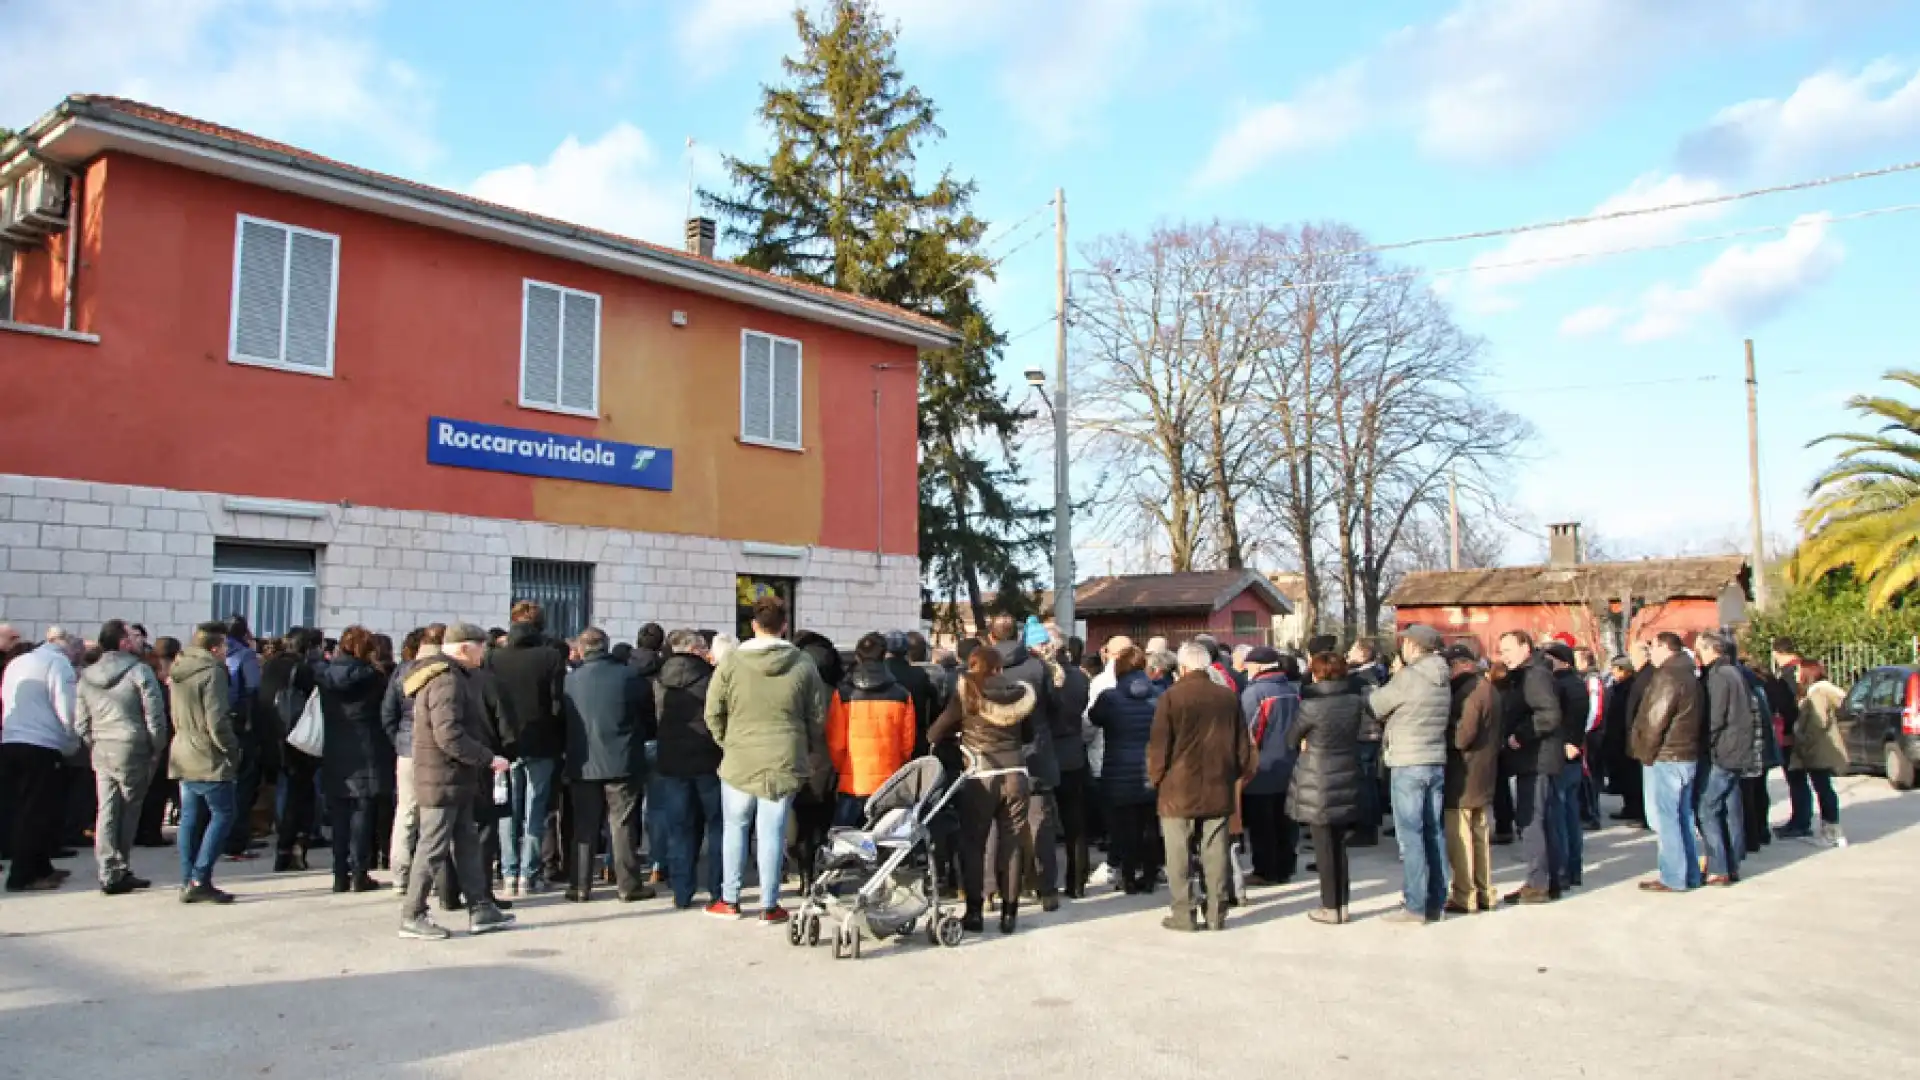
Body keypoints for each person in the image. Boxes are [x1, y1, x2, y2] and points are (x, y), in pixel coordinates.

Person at [704, 596, 826, 923]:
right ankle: (769, 905)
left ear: (753, 625)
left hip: (740, 756)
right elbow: (817, 715)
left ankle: (729, 899)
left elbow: (712, 711)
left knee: (735, 827)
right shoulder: (802, 663)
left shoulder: (730, 662)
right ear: (784, 626)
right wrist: (809, 748)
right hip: (784, 756)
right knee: (771, 831)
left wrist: (727, 741)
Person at [398, 623, 516, 940]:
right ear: (465, 648)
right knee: (432, 847)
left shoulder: (449, 677)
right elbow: (448, 735)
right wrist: (488, 757)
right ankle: (413, 914)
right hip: (442, 779)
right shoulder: (446, 681)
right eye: (481, 648)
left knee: (467, 844)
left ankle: (481, 908)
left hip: (454, 778)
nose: (484, 654)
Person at [928, 645, 1036, 934]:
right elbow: (1030, 734)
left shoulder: (967, 692)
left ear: (974, 664)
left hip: (980, 774)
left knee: (973, 844)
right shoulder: (1020, 693)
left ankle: (974, 912)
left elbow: (935, 733)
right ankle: (1009, 914)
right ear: (1000, 667)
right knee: (1011, 844)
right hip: (1016, 773)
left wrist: (956, 739)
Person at [1149, 642, 1255, 933]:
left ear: (1182, 667)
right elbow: (1242, 746)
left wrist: (1156, 778)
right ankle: (1216, 912)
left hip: (1177, 787)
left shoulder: (1170, 698)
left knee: (1178, 853)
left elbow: (1159, 746)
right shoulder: (1227, 697)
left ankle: (1183, 913)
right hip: (1217, 783)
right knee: (1215, 850)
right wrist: (1234, 774)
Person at [72, 619, 167, 895]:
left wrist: (94, 741)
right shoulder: (140, 671)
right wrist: (156, 746)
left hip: (102, 745)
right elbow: (154, 714)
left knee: (107, 808)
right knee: (128, 809)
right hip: (132, 745)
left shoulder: (87, 675)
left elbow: (81, 721)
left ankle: (107, 868)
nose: (139, 640)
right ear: (123, 642)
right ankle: (119, 868)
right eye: (133, 636)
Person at [561, 627, 655, 902]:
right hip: (622, 760)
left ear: (580, 649)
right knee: (622, 825)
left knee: (584, 826)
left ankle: (579, 886)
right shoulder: (628, 676)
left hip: (582, 761)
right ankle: (628, 885)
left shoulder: (570, 681)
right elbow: (647, 716)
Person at [1368, 625, 1452, 923]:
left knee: (1411, 835)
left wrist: (1388, 681)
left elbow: (1376, 705)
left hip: (1407, 760)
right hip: (1434, 758)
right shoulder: (1443, 675)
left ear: (1414, 647)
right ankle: (1437, 901)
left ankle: (1415, 904)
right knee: (1434, 831)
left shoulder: (1409, 676)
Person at [487, 603, 567, 897]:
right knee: (535, 809)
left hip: (505, 744)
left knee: (506, 810)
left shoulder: (493, 657)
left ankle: (508, 872)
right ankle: (528, 874)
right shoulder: (550, 657)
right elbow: (557, 704)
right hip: (542, 741)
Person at [1, 626, 82, 892]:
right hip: (42, 745)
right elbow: (67, 707)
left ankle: (41, 866)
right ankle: (22, 875)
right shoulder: (59, 664)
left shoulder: (18, 662)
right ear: (67, 648)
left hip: (11, 740)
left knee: (23, 808)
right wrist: (73, 740)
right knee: (38, 812)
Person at [1288, 652, 1366, 925]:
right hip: (1346, 771)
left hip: (1317, 777)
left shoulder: (1310, 706)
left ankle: (1329, 906)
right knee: (1340, 845)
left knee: (1323, 847)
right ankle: (1342, 904)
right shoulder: (1356, 702)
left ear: (1317, 674)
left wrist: (1304, 742)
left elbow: (1291, 738)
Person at [316, 626, 393, 893]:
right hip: (367, 749)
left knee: (339, 816)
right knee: (362, 813)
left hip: (335, 747)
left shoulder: (324, 676)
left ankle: (339, 874)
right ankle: (360, 873)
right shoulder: (373, 677)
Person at [653, 628, 723, 909]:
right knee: (718, 825)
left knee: (679, 828)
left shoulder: (660, 679)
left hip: (672, 761)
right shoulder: (711, 678)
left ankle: (682, 891)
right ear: (695, 650)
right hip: (709, 760)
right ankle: (719, 889)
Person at [169, 623, 239, 904]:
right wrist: (231, 749)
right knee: (223, 814)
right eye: (224, 647)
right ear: (214, 648)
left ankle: (189, 878)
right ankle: (200, 877)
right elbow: (217, 719)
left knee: (190, 817)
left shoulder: (179, 669)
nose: (226, 652)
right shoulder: (213, 672)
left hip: (183, 747)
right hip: (207, 753)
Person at [1630, 632, 1704, 893]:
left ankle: (1673, 876)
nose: (1651, 654)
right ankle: (1689, 873)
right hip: (1685, 754)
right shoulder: (1689, 673)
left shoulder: (1668, 676)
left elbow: (1655, 719)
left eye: (1653, 647)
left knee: (1666, 819)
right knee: (1682, 816)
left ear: (1664, 646)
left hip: (1667, 755)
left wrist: (1644, 753)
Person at [1496, 630, 1564, 904]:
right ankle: (1549, 880)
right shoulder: (1529, 673)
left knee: (1531, 820)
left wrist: (1519, 736)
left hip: (1536, 758)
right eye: (1501, 651)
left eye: (1508, 649)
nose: (1504, 656)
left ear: (1525, 647)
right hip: (1534, 758)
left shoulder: (1535, 675)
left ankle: (1538, 884)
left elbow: (1549, 715)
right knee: (1540, 820)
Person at [1087, 645, 1162, 894]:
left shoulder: (1109, 698)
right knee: (1150, 825)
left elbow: (1094, 718)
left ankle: (1128, 877)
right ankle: (1150, 875)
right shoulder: (1160, 696)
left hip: (1118, 769)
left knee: (1124, 827)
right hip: (1152, 768)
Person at [828, 632, 916, 827]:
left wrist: (842, 769)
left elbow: (836, 744)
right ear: (885, 656)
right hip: (888, 782)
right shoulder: (901, 695)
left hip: (852, 783)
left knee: (844, 844)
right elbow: (907, 745)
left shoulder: (843, 694)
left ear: (858, 657)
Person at [1441, 645, 1499, 914]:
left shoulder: (1469, 692)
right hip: (1484, 771)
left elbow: (1463, 736)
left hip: (1464, 774)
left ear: (1461, 664)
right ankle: (1484, 891)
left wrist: (1446, 728)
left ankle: (1465, 894)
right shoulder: (1488, 688)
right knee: (1479, 835)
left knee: (1460, 837)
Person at [1695, 631, 1755, 886]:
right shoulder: (1734, 672)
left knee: (1707, 808)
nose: (1697, 654)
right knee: (1725, 809)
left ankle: (1719, 866)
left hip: (1724, 752)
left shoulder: (1719, 676)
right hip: (1737, 750)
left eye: (1699, 649)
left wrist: (1703, 744)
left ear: (1711, 649)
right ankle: (1730, 863)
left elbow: (1715, 718)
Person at [1238, 645, 1300, 886]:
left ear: (1259, 666)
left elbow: (1249, 732)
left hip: (1262, 767)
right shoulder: (1292, 690)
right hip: (1289, 763)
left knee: (1262, 824)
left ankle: (1265, 870)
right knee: (1285, 819)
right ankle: (1286, 866)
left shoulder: (1254, 694)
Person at [263, 628, 321, 872]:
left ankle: (283, 849)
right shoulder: (304, 670)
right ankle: (294, 849)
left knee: (287, 794)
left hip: (273, 737)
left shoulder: (271, 666)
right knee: (301, 798)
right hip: (299, 740)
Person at [1045, 630, 1093, 899]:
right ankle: (1077, 880)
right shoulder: (1080, 677)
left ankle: (1043, 880)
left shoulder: (1044, 675)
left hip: (1047, 751)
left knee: (1041, 820)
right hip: (1073, 749)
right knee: (1074, 819)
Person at [1543, 643, 1591, 890]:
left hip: (1561, 754)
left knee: (1559, 816)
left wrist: (1568, 741)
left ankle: (1561, 871)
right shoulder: (1578, 683)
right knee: (1571, 816)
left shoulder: (1559, 684)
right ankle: (1574, 869)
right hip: (1573, 754)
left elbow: (1559, 718)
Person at [219, 616, 263, 860]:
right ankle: (237, 839)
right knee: (244, 784)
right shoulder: (245, 656)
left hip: (223, 722)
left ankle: (224, 836)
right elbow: (254, 688)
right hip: (242, 725)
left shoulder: (220, 655)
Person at [1792, 661, 1848, 847]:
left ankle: (1831, 831)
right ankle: (1831, 830)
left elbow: (1818, 722)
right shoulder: (1820, 692)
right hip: (1821, 748)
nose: (1796, 675)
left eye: (1799, 671)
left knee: (1824, 789)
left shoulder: (1818, 693)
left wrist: (1804, 743)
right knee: (1824, 788)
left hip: (1818, 750)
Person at [1601, 655, 1645, 827]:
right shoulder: (1617, 687)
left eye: (1616, 668)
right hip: (1617, 737)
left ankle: (1635, 809)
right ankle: (1628, 807)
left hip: (1625, 737)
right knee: (1623, 775)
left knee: (1632, 777)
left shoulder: (1630, 687)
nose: (1612, 672)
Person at [883, 630, 938, 756]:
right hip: (915, 740)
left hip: (884, 740)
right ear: (906, 651)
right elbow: (934, 705)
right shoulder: (919, 675)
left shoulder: (878, 676)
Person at [1573, 647, 1606, 829]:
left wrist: (1584, 730)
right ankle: (1586, 811)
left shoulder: (1592, 680)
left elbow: (1595, 710)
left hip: (1592, 734)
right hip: (1587, 733)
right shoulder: (1583, 678)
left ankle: (1592, 815)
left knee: (1590, 776)